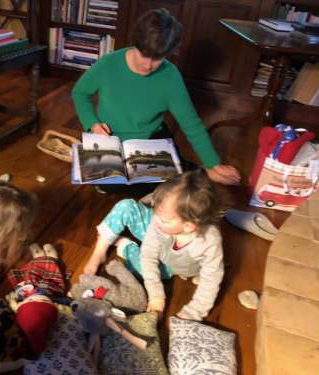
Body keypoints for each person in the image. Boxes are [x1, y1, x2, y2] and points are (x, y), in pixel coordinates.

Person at [71, 8, 240, 186]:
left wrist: (213, 164)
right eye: (144, 54)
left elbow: (191, 124)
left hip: (151, 139)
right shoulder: (108, 63)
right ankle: (188, 171)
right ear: (135, 43)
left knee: (161, 184)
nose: (148, 65)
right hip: (109, 140)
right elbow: (80, 93)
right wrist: (93, 124)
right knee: (109, 183)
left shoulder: (171, 75)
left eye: (158, 58)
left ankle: (194, 171)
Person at [84, 169, 224, 321]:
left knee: (142, 270)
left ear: (188, 226)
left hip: (174, 264)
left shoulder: (208, 242)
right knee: (126, 206)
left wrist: (193, 312)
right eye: (155, 213)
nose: (155, 220)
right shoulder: (159, 222)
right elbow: (149, 253)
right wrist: (156, 294)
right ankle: (100, 251)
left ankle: (127, 247)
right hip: (161, 239)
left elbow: (210, 281)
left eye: (163, 219)